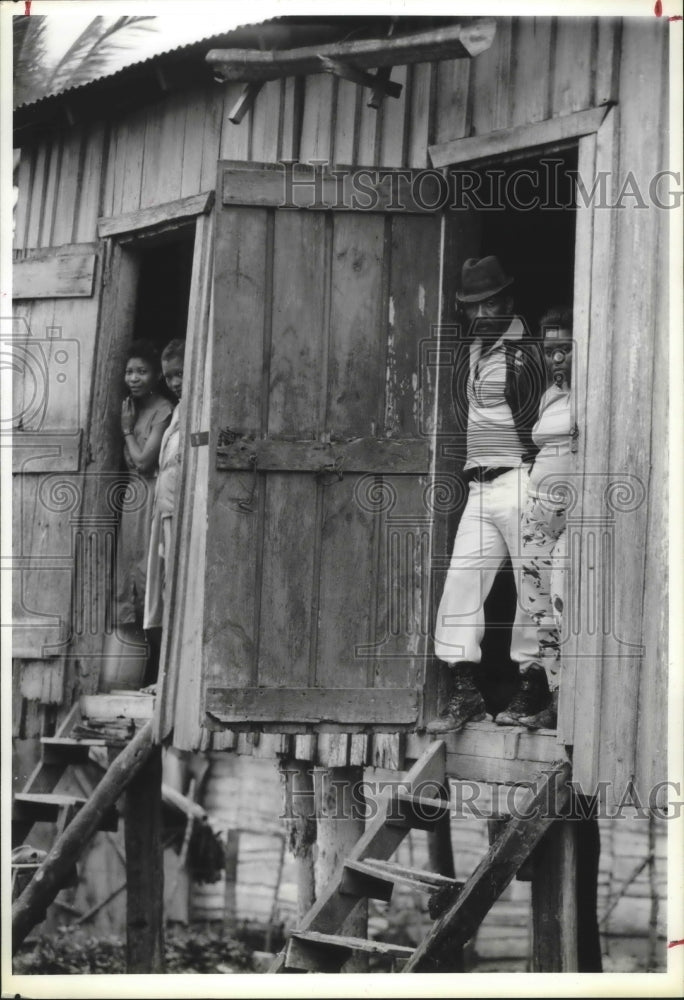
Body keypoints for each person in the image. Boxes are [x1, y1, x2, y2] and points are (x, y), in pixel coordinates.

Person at [427, 256, 547, 734]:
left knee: (531, 585)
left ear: (509, 301)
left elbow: (541, 421)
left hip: (519, 477)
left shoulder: (527, 351)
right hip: (479, 484)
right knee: (461, 581)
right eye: (473, 306)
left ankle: (533, 682)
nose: (481, 313)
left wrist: (538, 479)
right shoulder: (474, 348)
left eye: (490, 303)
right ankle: (464, 689)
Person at [101, 340, 173, 691]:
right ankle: (128, 672)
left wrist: (127, 429)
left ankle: (157, 673)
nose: (134, 377)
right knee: (126, 575)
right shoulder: (130, 405)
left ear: (156, 375)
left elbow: (144, 460)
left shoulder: (163, 409)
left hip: (150, 498)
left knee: (149, 577)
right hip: (131, 499)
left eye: (142, 371)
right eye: (130, 371)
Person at [517, 307, 575, 730]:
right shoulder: (550, 395)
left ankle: (573, 701)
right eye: (550, 349)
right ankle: (554, 701)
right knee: (538, 607)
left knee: (562, 596)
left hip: (571, 513)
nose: (557, 358)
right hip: (539, 513)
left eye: (565, 349)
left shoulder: (587, 394)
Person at [143, 339, 185, 633]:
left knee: (179, 579)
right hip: (167, 507)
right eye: (169, 376)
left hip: (180, 506)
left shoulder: (198, 407)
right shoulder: (181, 410)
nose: (174, 382)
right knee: (167, 578)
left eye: (180, 373)